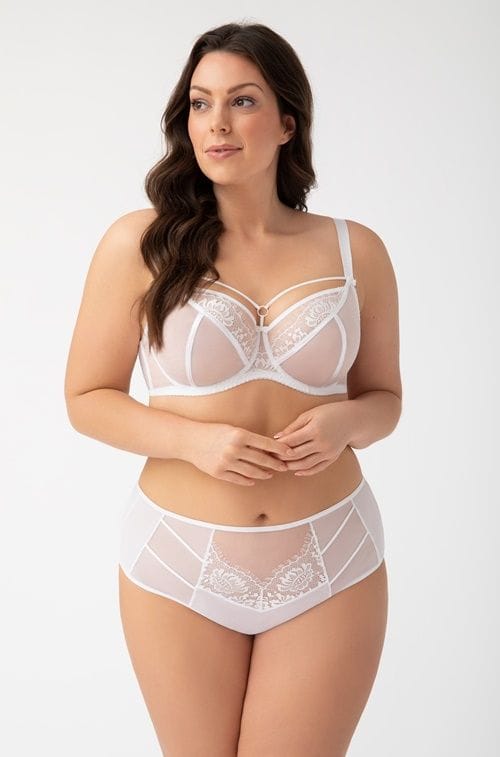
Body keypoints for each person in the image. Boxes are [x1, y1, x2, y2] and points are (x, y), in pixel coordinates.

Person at [64, 20, 402, 757]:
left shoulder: (357, 251)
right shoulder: (140, 244)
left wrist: (345, 424)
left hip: (331, 554)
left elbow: (385, 399)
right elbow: (86, 398)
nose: (216, 122)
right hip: (179, 558)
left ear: (287, 122)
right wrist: (195, 442)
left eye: (242, 100)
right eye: (200, 102)